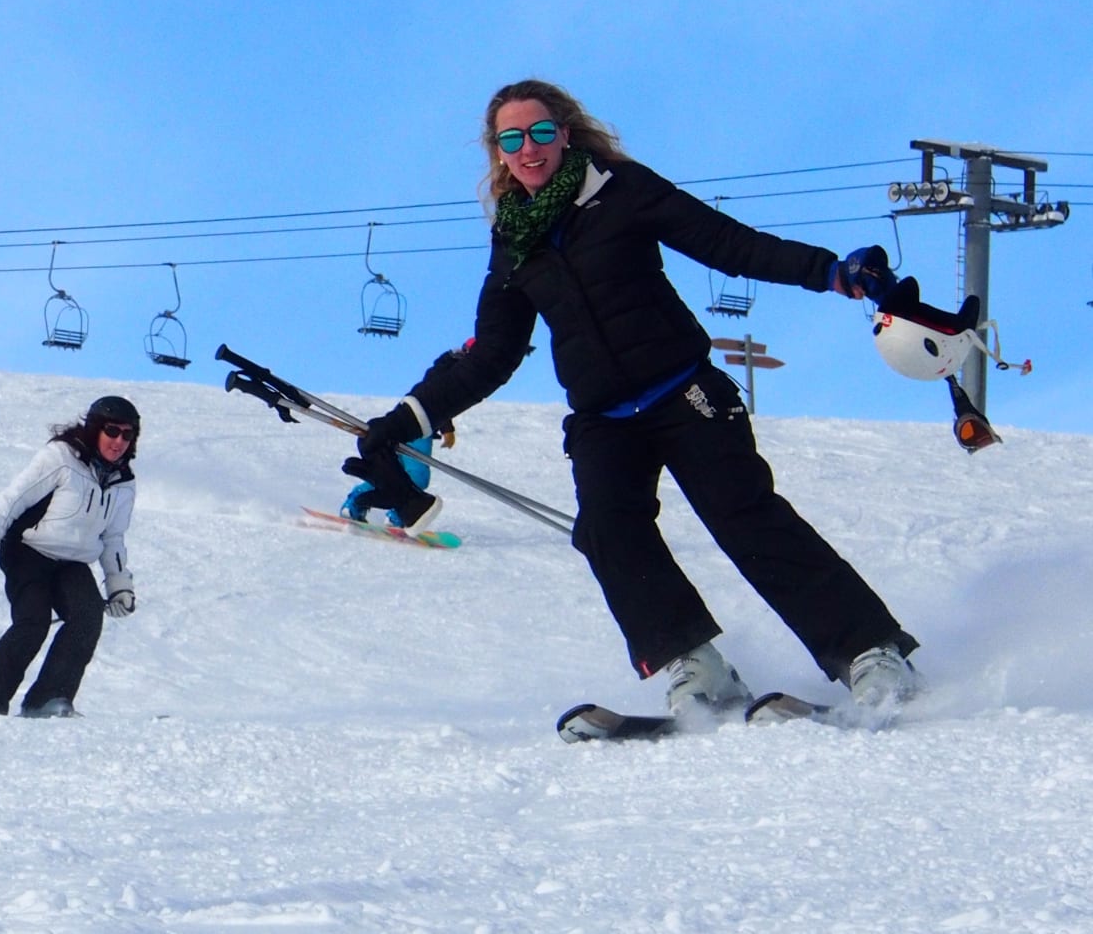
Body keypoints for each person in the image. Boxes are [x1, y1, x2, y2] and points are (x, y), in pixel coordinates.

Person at [352, 79, 920, 723]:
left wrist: (832, 273)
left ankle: (872, 653)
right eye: (512, 139)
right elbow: (493, 353)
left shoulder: (621, 189)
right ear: (498, 153)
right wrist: (412, 416)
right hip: (603, 417)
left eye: (540, 132)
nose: (529, 149)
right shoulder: (514, 238)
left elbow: (728, 244)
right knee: (606, 528)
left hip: (684, 390)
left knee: (744, 517)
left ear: (565, 132)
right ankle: (698, 669)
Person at [0, 395, 140, 721]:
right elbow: (13, 499)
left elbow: (113, 537)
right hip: (29, 551)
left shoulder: (123, 483)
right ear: (96, 429)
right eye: (112, 431)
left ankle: (47, 699)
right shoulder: (61, 458)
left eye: (127, 435)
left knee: (87, 619)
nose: (119, 441)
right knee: (33, 622)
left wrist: (118, 585)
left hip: (72, 562)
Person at [339, 339, 470, 531]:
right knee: (416, 476)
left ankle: (354, 505)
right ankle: (397, 514)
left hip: (405, 425)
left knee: (391, 474)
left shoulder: (448, 365)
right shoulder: (452, 368)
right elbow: (436, 399)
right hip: (416, 428)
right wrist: (447, 428)